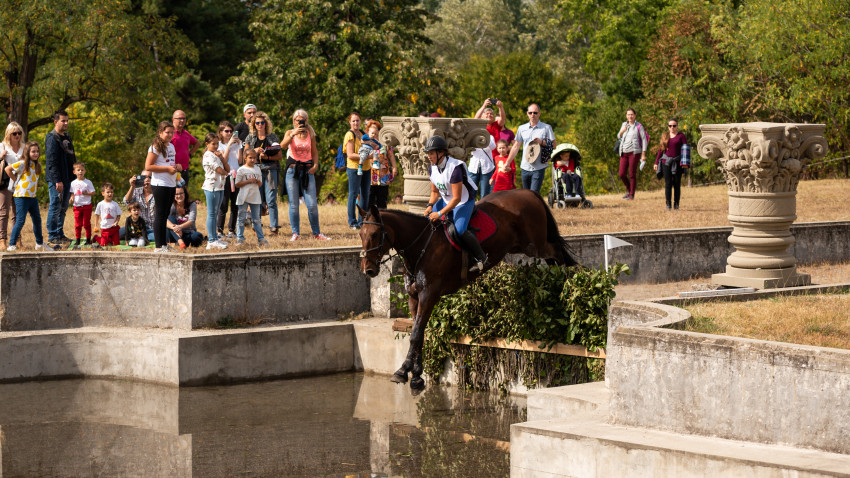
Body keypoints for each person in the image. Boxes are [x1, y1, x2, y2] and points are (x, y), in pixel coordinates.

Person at [422, 136, 487, 273]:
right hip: (447, 199)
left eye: (431, 153)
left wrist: (440, 213)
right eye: (428, 153)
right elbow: (434, 192)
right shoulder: (432, 168)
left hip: (464, 200)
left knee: (460, 230)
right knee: (428, 221)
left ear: (441, 153)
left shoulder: (455, 168)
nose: (429, 156)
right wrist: (429, 206)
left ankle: (481, 257)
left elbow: (456, 198)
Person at [280, 109, 330, 242]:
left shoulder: (310, 133)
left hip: (308, 170)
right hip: (293, 170)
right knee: (294, 204)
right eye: (298, 120)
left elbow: (314, 151)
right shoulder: (290, 132)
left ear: (307, 121)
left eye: (303, 120)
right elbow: (282, 146)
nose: (300, 122)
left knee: (312, 203)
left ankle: (317, 233)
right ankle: (295, 233)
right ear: (294, 121)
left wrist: (316, 165)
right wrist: (293, 134)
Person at [5, 142, 52, 251]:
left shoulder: (37, 165)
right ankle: (12, 245)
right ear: (27, 152)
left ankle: (39, 243)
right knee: (20, 220)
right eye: (33, 151)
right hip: (21, 196)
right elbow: (7, 169)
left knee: (37, 220)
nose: (36, 153)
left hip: (32, 197)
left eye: (37, 151)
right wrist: (14, 180)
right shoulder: (22, 163)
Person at [144, 120, 182, 252]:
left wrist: (177, 166)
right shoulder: (155, 147)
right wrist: (167, 169)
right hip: (160, 184)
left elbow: (170, 163)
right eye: (167, 132)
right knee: (160, 215)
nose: (170, 135)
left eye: (172, 132)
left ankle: (164, 244)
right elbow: (148, 166)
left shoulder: (171, 146)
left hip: (171, 183)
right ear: (160, 132)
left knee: (165, 214)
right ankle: (158, 246)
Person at [243, 111, 282, 235]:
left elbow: (280, 156)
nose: (260, 125)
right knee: (256, 199)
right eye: (257, 123)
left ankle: (274, 226)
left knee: (271, 199)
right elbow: (245, 155)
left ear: (266, 124)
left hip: (270, 170)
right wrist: (253, 151)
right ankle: (257, 225)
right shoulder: (250, 137)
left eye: (262, 123)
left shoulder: (273, 137)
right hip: (255, 171)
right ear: (254, 124)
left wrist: (267, 157)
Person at [506, 103, 555, 193]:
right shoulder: (522, 128)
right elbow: (516, 146)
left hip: (539, 167)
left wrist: (542, 142)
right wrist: (507, 162)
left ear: (539, 113)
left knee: (533, 194)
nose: (533, 115)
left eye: (535, 113)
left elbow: (554, 145)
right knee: (526, 195)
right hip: (525, 167)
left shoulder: (546, 128)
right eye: (530, 112)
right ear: (527, 113)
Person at [45, 110, 76, 244]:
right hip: (57, 179)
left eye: (67, 120)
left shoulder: (67, 136)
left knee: (63, 207)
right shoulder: (52, 137)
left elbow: (71, 157)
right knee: (55, 206)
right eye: (63, 121)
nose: (66, 123)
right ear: (56, 121)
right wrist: (57, 180)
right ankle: (52, 235)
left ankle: (59, 234)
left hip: (68, 178)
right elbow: (52, 162)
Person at [359, 120, 398, 209]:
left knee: (382, 199)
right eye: (372, 129)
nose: (375, 132)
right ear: (368, 131)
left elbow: (391, 154)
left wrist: (394, 167)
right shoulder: (366, 141)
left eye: (377, 129)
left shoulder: (385, 142)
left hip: (384, 174)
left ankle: (382, 218)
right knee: (370, 199)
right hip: (370, 173)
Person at [234, 149, 268, 246]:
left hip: (255, 196)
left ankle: (261, 239)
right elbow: (237, 184)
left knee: (257, 219)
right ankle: (240, 238)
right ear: (245, 158)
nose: (253, 160)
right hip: (243, 196)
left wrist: (257, 181)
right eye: (250, 158)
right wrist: (248, 181)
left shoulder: (257, 169)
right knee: (241, 217)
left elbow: (261, 183)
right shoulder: (241, 169)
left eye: (254, 158)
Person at [201, 132, 229, 249]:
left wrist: (222, 158)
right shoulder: (208, 155)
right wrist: (226, 172)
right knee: (212, 214)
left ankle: (215, 238)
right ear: (207, 144)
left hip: (220, 186)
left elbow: (227, 168)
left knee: (216, 212)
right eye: (213, 144)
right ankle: (211, 240)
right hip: (211, 187)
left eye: (217, 144)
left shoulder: (216, 155)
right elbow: (219, 170)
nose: (216, 146)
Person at [0, 122, 24, 249]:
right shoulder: (2, 146)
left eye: (19, 133)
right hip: (6, 182)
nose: (17, 135)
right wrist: (1, 156)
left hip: (21, 182)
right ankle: (2, 239)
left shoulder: (24, 147)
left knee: (18, 212)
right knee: (4, 212)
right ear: (8, 134)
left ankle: (17, 239)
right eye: (14, 133)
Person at [654, 120, 688, 210]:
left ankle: (676, 205)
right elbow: (661, 150)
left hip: (677, 162)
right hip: (666, 162)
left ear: (677, 126)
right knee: (668, 184)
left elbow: (685, 150)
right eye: (670, 126)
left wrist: (686, 163)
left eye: (674, 125)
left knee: (677, 184)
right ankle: (668, 204)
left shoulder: (681, 136)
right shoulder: (665, 136)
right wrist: (656, 162)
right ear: (668, 127)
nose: (672, 127)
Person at [344, 112, 370, 229]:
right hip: (354, 168)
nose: (356, 123)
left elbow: (371, 146)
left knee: (365, 195)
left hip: (366, 168)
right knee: (353, 194)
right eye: (353, 121)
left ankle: (362, 221)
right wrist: (368, 156)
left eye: (358, 120)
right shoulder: (349, 135)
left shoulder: (363, 134)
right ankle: (352, 221)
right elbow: (350, 155)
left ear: (361, 121)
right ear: (350, 122)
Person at [617, 108, 648, 200]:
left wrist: (643, 154)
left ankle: (631, 195)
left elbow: (644, 140)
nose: (630, 116)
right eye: (628, 114)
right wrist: (623, 130)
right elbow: (619, 136)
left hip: (634, 153)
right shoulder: (624, 124)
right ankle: (628, 189)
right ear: (626, 116)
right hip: (623, 152)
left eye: (632, 114)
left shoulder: (639, 126)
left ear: (635, 115)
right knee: (622, 174)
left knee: (632, 174)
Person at [217, 121, 241, 239]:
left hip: (236, 175)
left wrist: (239, 147)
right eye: (226, 131)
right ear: (221, 132)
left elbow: (240, 160)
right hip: (226, 176)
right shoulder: (219, 145)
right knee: (224, 204)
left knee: (235, 205)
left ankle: (232, 230)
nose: (229, 133)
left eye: (231, 131)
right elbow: (223, 160)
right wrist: (229, 145)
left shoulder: (236, 144)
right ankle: (220, 231)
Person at [122, 171, 155, 243]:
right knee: (118, 233)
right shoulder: (136, 190)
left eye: (149, 177)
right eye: (144, 177)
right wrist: (132, 186)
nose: (146, 180)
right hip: (135, 226)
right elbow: (126, 201)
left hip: (152, 228)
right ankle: (137, 236)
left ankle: (138, 237)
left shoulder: (157, 192)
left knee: (156, 237)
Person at [68, 162, 96, 246]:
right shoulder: (73, 183)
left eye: (82, 170)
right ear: (74, 172)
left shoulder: (88, 182)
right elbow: (72, 193)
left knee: (86, 224)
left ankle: (88, 239)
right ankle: (78, 240)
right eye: (78, 170)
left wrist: (87, 193)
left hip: (87, 205)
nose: (80, 172)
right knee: (77, 224)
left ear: (85, 171)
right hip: (77, 206)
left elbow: (93, 192)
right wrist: (71, 198)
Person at [170, 110, 199, 187]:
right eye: (179, 118)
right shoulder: (169, 133)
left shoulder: (186, 133)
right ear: (173, 120)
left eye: (184, 118)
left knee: (184, 194)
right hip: (172, 170)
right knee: (174, 195)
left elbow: (197, 143)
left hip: (185, 170)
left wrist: (190, 154)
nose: (182, 120)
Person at [92, 183, 122, 247]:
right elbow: (97, 215)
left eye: (111, 192)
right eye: (108, 192)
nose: (110, 194)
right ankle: (96, 237)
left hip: (114, 228)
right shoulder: (100, 204)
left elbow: (119, 214)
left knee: (116, 244)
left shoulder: (115, 204)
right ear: (103, 193)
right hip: (105, 228)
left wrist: (116, 222)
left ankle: (111, 239)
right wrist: (95, 225)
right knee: (104, 244)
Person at [467, 135, 496, 199]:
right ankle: (471, 208)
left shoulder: (490, 136)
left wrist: (485, 138)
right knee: (471, 192)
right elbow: (467, 148)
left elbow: (493, 147)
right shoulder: (472, 135)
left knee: (485, 193)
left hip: (487, 168)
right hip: (473, 167)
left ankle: (482, 208)